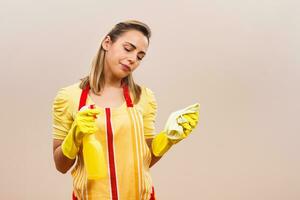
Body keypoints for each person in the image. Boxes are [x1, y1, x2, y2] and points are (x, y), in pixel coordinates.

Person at [52, 20, 199, 200]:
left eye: (140, 56)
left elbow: (144, 160)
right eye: (128, 48)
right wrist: (73, 138)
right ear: (107, 43)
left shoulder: (143, 97)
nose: (133, 59)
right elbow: (61, 166)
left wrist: (168, 138)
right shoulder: (69, 97)